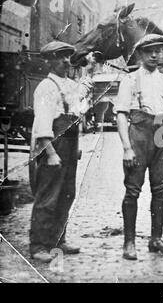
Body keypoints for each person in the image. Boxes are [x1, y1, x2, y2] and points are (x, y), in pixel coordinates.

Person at [29, 41, 94, 263]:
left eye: (67, 57)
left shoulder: (69, 84)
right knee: (48, 197)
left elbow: (81, 97)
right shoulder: (46, 87)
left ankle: (58, 240)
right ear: (49, 61)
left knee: (67, 194)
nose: (66, 61)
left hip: (69, 145)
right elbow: (42, 125)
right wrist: (51, 153)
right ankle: (39, 245)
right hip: (53, 146)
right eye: (60, 57)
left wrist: (90, 70)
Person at [115, 34, 163, 260]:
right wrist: (126, 148)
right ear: (140, 54)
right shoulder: (129, 80)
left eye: (158, 50)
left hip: (161, 134)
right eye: (149, 51)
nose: (154, 55)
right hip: (138, 135)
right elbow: (121, 115)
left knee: (159, 190)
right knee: (133, 189)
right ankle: (129, 242)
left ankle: (156, 239)